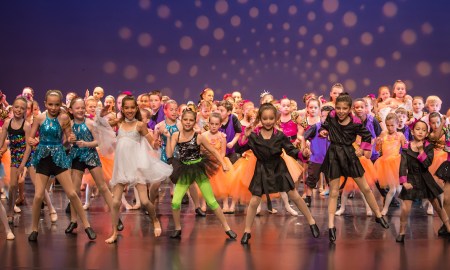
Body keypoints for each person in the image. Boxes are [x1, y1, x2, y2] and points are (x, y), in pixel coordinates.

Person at [236, 103, 319, 245]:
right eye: (265, 118)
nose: (268, 121)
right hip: (261, 169)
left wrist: (302, 153)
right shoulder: (254, 135)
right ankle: (247, 231)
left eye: (271, 118)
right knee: (255, 200)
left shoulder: (279, 135)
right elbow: (240, 147)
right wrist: (245, 135)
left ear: (275, 118)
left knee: (294, 195)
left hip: (278, 169)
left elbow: (291, 150)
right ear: (260, 119)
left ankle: (312, 221)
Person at [319, 93, 389, 243]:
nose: (341, 111)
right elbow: (324, 127)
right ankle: (331, 226)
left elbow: (367, 136)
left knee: (365, 188)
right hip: (334, 156)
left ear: (350, 109)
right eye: (338, 108)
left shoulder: (356, 122)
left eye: (344, 108)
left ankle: (378, 215)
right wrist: (323, 131)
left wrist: (362, 149)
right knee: (333, 192)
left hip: (350, 156)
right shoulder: (331, 117)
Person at [28, 90, 96, 241]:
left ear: (61, 104)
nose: (53, 107)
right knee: (39, 195)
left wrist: (70, 137)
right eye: (50, 104)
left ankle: (86, 225)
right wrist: (32, 142)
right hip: (43, 158)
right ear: (45, 103)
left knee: (72, 193)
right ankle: (33, 229)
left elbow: (68, 138)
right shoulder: (39, 118)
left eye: (56, 104)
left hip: (59, 157)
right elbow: (30, 138)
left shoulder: (64, 117)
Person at [106, 95, 172, 243]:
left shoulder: (140, 125)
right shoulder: (120, 122)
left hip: (135, 167)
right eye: (126, 108)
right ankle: (115, 232)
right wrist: (102, 112)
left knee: (145, 201)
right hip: (121, 167)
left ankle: (155, 220)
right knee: (115, 202)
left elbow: (151, 142)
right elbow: (103, 124)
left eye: (132, 107)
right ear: (122, 109)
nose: (129, 110)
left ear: (136, 108)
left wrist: (157, 143)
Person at [166, 109, 237, 240]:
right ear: (181, 120)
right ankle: (177, 228)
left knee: (211, 201)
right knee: (175, 202)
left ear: (195, 122)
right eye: (185, 120)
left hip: (198, 168)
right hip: (184, 169)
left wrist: (224, 163)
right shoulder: (176, 135)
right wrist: (169, 137)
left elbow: (213, 151)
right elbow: (169, 155)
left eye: (191, 120)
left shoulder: (199, 137)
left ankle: (227, 227)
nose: (188, 122)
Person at [396, 120, 450, 242]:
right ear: (412, 131)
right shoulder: (406, 147)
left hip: (425, 179)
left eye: (423, 130)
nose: (420, 132)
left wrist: (421, 151)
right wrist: (404, 182)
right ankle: (402, 233)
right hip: (412, 179)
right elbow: (403, 166)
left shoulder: (428, 147)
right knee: (405, 208)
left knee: (438, 206)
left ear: (426, 133)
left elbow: (427, 164)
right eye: (418, 129)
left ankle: (448, 227)